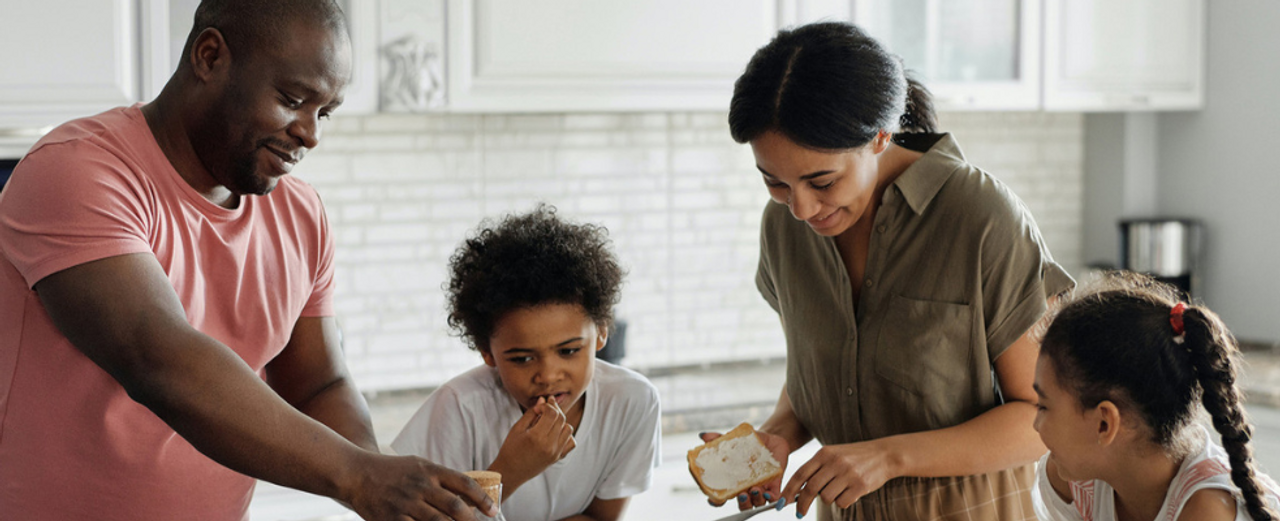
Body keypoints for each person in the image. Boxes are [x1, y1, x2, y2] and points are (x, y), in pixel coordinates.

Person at [0, 1, 495, 520]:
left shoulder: (300, 213)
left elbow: (318, 383)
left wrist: (391, 487)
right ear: (210, 57)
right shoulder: (77, 171)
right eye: (292, 99)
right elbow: (159, 361)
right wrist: (357, 475)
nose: (311, 133)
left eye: (323, 112)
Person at [703, 21, 1075, 520]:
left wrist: (888, 457)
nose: (801, 209)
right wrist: (779, 436)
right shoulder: (784, 228)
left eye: (822, 181)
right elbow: (823, 372)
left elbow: (1042, 418)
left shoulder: (980, 217)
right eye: (775, 183)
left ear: (880, 136)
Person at [392, 205, 662, 521]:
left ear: (601, 333)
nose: (547, 376)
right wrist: (510, 470)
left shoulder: (632, 401)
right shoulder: (459, 408)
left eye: (569, 351)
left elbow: (600, 518)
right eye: (522, 358)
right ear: (486, 351)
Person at [1032, 272, 1280, 521]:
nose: (1035, 424)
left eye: (1043, 406)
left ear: (1104, 423)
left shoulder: (1209, 511)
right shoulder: (1075, 482)